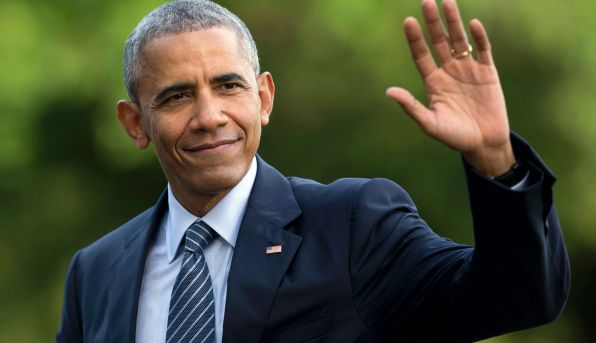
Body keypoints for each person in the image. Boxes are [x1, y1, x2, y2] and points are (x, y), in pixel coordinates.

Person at [56, 0, 570, 342]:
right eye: (177, 96)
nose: (210, 117)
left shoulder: (351, 224)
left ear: (264, 98)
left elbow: (517, 298)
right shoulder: (96, 271)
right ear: (134, 123)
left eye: (229, 86)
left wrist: (495, 160)